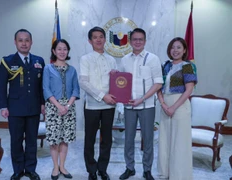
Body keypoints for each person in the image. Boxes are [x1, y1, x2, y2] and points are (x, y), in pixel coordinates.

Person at [0, 29, 45, 180]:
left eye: (27, 40)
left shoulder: (39, 61)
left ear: (31, 42)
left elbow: (41, 86)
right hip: (15, 109)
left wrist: (43, 104)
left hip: (33, 107)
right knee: (16, 141)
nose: (24, 43)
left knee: (32, 141)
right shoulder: (7, 61)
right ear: (15, 42)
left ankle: (30, 169)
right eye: (20, 40)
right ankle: (18, 170)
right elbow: (1, 86)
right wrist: (3, 106)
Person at [119, 28, 163, 180]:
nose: (137, 42)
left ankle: (147, 170)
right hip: (129, 106)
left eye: (140, 39)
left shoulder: (153, 59)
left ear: (145, 41)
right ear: (130, 41)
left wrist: (142, 98)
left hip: (147, 106)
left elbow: (158, 83)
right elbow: (121, 82)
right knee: (128, 139)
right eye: (134, 39)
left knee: (148, 138)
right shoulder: (124, 59)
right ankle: (129, 168)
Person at [79, 26, 117, 180]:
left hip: (109, 106)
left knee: (107, 139)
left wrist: (115, 90)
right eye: (95, 37)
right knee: (89, 139)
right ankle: (91, 170)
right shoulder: (85, 59)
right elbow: (84, 82)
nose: (99, 39)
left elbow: (117, 83)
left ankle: (102, 169)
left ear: (105, 39)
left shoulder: (112, 60)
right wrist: (103, 96)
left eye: (101, 36)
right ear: (90, 41)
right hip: (92, 106)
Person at [157, 37, 197, 180]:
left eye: (179, 47)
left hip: (180, 104)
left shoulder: (187, 66)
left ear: (184, 50)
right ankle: (165, 172)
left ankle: (178, 175)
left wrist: (173, 107)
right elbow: (158, 86)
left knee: (179, 141)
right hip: (165, 104)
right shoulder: (165, 65)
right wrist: (163, 104)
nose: (175, 50)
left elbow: (188, 90)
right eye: (173, 47)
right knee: (165, 140)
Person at [43, 39, 80, 180]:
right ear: (54, 51)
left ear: (68, 51)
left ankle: (63, 166)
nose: (62, 51)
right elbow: (46, 89)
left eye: (65, 49)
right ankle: (55, 167)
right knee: (54, 139)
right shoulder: (48, 68)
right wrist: (59, 106)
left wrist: (68, 106)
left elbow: (76, 89)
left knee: (65, 139)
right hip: (53, 107)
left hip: (69, 108)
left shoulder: (72, 70)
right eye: (59, 49)